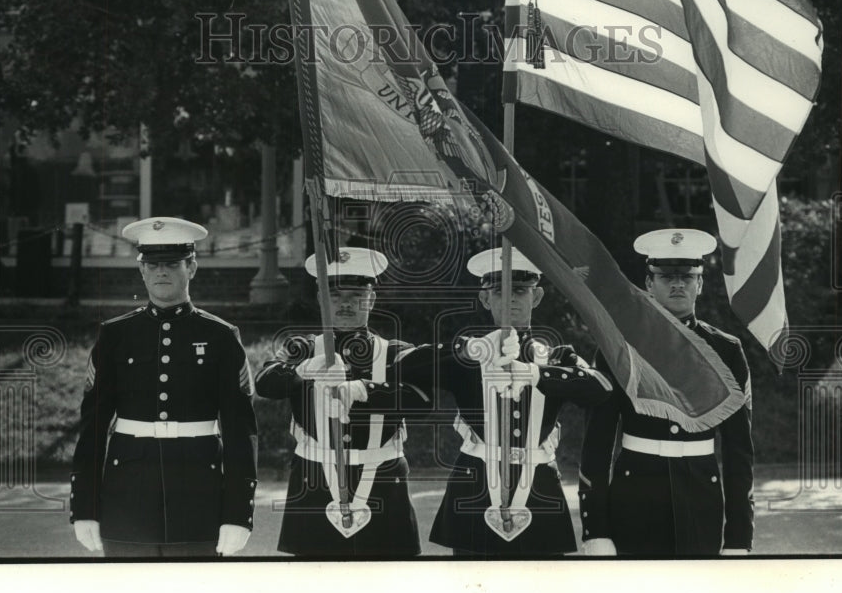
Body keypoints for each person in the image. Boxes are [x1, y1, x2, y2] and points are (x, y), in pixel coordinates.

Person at [401, 247, 613, 556]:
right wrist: (466, 350)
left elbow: (601, 388)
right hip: (474, 489)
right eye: (499, 291)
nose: (511, 298)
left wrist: (536, 374)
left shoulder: (553, 357)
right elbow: (405, 367)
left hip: (539, 490)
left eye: (521, 290)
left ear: (536, 297)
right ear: (485, 299)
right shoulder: (467, 356)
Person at [70, 217, 258, 558]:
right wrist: (84, 507)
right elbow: (92, 428)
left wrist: (237, 515)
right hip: (127, 490)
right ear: (141, 271)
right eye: (152, 264)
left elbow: (240, 432)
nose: (161, 272)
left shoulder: (220, 336)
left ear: (192, 267)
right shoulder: (116, 335)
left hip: (199, 490)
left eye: (172, 263)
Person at [577, 228, 754, 557]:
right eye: (666, 276)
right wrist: (595, 529)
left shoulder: (726, 351)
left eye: (687, 276)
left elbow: (738, 452)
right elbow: (596, 445)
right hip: (635, 493)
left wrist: (739, 537)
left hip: (701, 494)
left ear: (700, 284)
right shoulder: (621, 347)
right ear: (648, 283)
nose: (677, 284)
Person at [255, 248, 430, 558]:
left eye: (357, 294)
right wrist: (302, 370)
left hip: (382, 479)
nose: (346, 303)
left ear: (372, 300)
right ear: (322, 300)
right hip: (314, 481)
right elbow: (265, 382)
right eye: (335, 295)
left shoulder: (394, 352)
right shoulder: (304, 348)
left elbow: (422, 399)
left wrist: (366, 389)